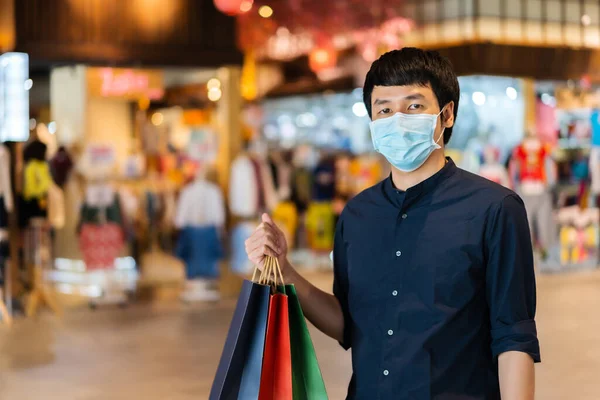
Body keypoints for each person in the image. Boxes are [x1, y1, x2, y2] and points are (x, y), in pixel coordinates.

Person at [245, 48, 540, 400]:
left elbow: (513, 336)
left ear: (446, 115)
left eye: (414, 106)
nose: (397, 118)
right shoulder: (356, 215)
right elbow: (347, 325)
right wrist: (285, 270)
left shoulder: (494, 209)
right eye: (384, 109)